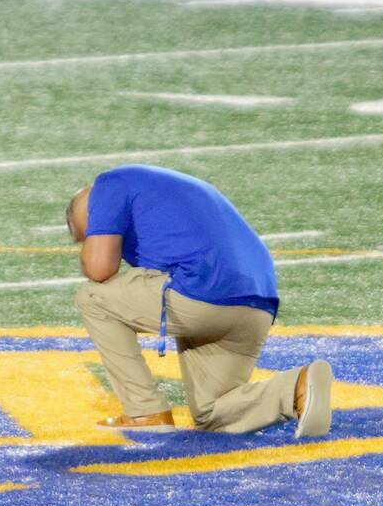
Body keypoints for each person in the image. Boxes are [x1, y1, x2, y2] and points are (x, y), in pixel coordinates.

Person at [67, 164, 334, 436]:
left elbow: (99, 268)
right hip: (258, 303)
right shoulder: (166, 193)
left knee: (92, 297)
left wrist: (93, 240)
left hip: (206, 290)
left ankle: (145, 411)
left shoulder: (108, 186)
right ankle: (296, 387)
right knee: (214, 413)